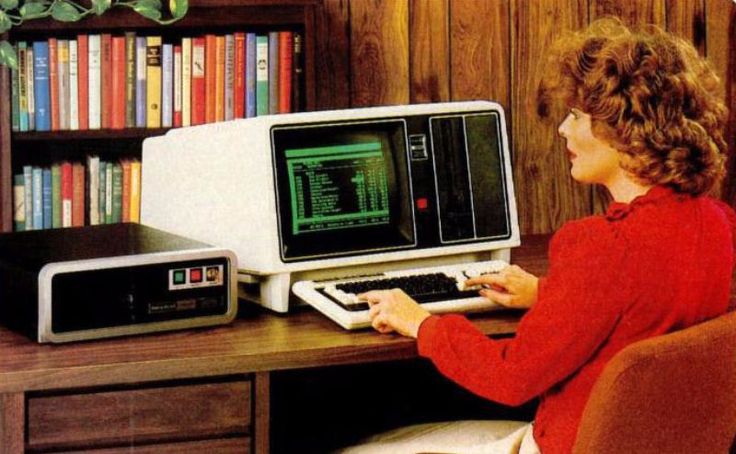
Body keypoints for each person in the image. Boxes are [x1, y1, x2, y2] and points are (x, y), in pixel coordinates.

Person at [340, 17, 735, 454]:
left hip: (560, 446)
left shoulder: (599, 247)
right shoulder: (718, 223)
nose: (564, 129)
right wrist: (544, 293)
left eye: (576, 116)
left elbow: (510, 378)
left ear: (622, 131)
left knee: (363, 446)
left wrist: (420, 323)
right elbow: (644, 303)